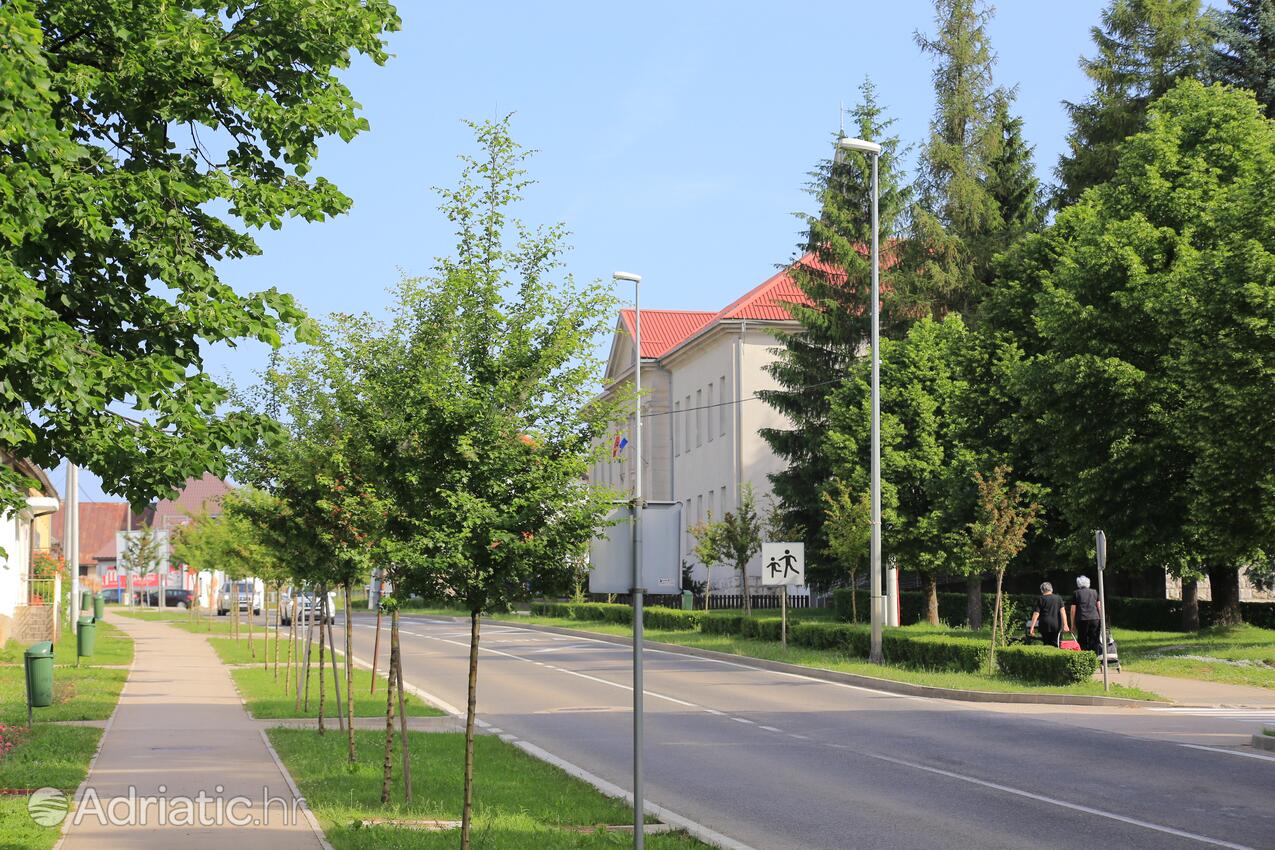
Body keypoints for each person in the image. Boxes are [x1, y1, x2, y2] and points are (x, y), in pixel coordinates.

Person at [1029, 582, 1069, 647]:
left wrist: (1032, 627)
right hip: (1056, 624)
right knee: (1057, 644)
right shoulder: (1058, 598)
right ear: (1051, 589)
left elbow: (1036, 613)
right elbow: (1063, 612)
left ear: (1042, 590)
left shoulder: (1041, 599)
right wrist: (1065, 624)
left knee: (1046, 644)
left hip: (1044, 625)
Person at [1070, 575, 1102, 654]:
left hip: (1082, 619)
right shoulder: (1094, 592)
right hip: (1094, 618)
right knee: (1094, 639)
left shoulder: (1076, 593)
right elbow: (1099, 606)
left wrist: (1072, 624)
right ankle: (1094, 656)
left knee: (1082, 639)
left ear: (1078, 584)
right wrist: (1101, 619)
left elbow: (1073, 610)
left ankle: (1084, 656)